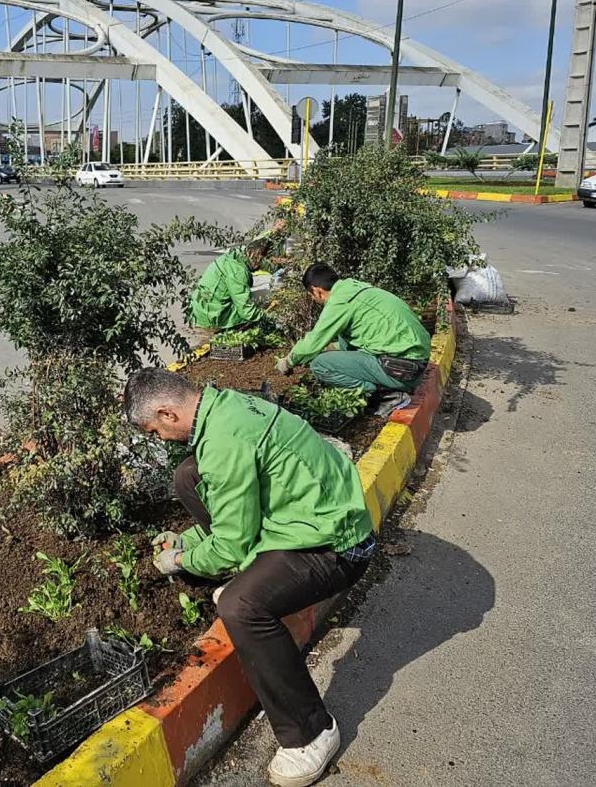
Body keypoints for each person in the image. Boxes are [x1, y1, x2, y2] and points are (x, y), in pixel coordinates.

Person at [123, 368, 375, 787]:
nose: (158, 440)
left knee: (240, 606)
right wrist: (190, 538)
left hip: (339, 544)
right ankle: (253, 578)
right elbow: (231, 504)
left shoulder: (223, 442)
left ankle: (312, 732)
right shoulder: (223, 405)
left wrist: (182, 561)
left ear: (168, 413)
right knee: (189, 475)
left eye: (153, 431)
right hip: (304, 518)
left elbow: (231, 545)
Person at [276, 263, 430, 416]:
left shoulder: (340, 301)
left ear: (318, 291)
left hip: (402, 370)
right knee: (344, 341)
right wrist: (330, 348)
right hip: (415, 364)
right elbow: (357, 339)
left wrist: (288, 361)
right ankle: (391, 387)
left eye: (311, 295)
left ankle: (386, 396)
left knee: (320, 365)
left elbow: (313, 341)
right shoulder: (357, 290)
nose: (313, 299)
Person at [189, 239, 271, 331]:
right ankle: (219, 328)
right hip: (211, 315)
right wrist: (268, 318)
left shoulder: (234, 256)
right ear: (257, 258)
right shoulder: (238, 272)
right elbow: (245, 310)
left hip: (198, 308)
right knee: (258, 305)